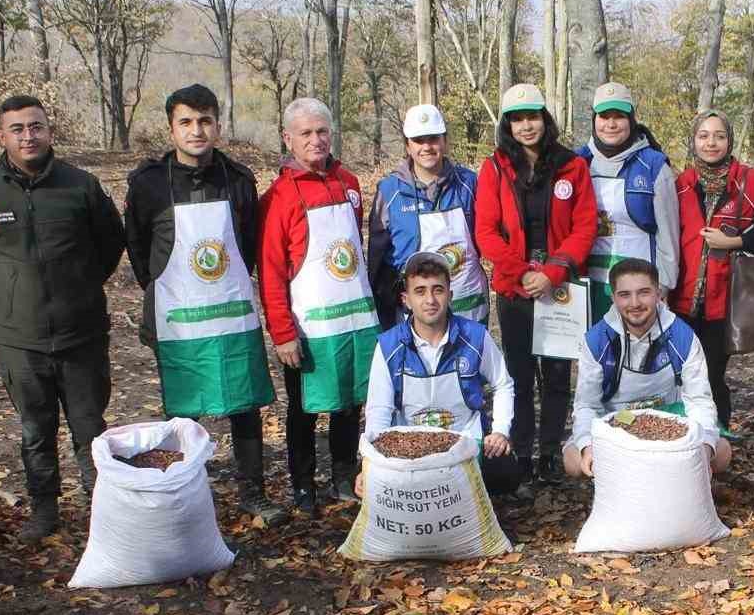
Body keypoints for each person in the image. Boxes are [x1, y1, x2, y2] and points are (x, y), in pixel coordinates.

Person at [0, 95, 126, 542]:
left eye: (36, 126)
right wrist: (9, 298)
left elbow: (110, 244)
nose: (28, 136)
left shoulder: (81, 187)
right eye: (18, 129)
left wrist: (82, 286)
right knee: (36, 429)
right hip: (20, 339)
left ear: (49, 131)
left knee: (90, 427)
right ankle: (44, 511)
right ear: (2, 136)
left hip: (82, 333)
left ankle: (103, 508)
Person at [125, 84, 285, 525]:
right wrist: (165, 293)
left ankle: (253, 492)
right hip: (177, 319)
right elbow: (138, 248)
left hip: (231, 313)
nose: (196, 131)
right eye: (186, 122)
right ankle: (182, 493)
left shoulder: (238, 180)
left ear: (218, 124)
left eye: (205, 121)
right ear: (171, 127)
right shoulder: (148, 184)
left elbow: (250, 245)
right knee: (182, 411)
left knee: (244, 405)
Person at [259, 96, 379, 511]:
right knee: (305, 407)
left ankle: (344, 476)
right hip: (308, 325)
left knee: (350, 401)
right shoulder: (278, 197)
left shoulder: (349, 181)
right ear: (288, 138)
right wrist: (282, 332)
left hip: (355, 317)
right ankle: (303, 483)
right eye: (306, 133)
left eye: (322, 131)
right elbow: (271, 270)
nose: (316, 140)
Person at [476, 83, 598, 489]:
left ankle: (549, 451)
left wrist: (554, 271)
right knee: (519, 372)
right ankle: (523, 450)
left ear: (546, 119)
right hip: (515, 288)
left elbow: (585, 227)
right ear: (507, 125)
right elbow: (486, 232)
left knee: (558, 371)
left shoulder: (572, 166)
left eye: (533, 117)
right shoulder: (494, 167)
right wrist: (524, 270)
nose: (526, 126)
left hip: (560, 288)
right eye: (517, 118)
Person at [361, 252, 520, 496]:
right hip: (409, 450)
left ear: (450, 295)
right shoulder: (388, 346)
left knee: (504, 470)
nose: (430, 300)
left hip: (465, 443)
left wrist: (499, 431)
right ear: (406, 299)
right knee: (373, 483)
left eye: (438, 290)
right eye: (420, 291)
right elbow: (378, 409)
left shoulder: (475, 337)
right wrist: (372, 463)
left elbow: (503, 384)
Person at [564, 258, 730, 478]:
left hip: (671, 419)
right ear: (613, 298)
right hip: (616, 422)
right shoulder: (596, 340)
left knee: (721, 452)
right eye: (625, 295)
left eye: (644, 292)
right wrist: (587, 447)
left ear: (658, 294)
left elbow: (699, 400)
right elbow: (586, 405)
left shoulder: (682, 336)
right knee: (573, 461)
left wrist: (704, 448)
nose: (635, 303)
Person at [671, 110, 754, 429]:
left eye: (719, 135)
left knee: (712, 372)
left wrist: (733, 242)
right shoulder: (681, 184)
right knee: (682, 370)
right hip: (683, 296)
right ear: (693, 141)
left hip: (727, 297)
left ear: (730, 140)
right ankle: (682, 434)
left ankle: (717, 438)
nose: (711, 143)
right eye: (703, 136)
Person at [366, 105, 487, 330]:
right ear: (407, 146)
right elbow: (377, 256)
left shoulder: (469, 183)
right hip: (414, 310)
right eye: (419, 140)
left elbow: (486, 236)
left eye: (433, 139)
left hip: (468, 303)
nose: (427, 147)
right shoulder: (390, 191)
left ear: (445, 141)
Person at [577, 82, 681, 315]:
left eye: (619, 116)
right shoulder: (578, 162)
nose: (611, 124)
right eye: (604, 116)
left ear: (631, 120)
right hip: (589, 284)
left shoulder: (653, 165)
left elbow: (669, 234)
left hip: (639, 287)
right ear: (594, 120)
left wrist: (663, 285)